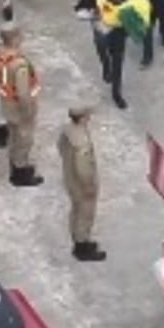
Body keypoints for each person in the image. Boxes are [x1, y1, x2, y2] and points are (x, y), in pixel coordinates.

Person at [73, 0, 133, 109]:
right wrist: (91, 15)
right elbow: (82, 7)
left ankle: (116, 93)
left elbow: (133, 6)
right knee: (102, 51)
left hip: (118, 30)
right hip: (100, 29)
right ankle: (106, 65)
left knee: (118, 61)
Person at [0, 26, 42, 187]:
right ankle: (20, 173)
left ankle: (13, 161)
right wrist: (28, 112)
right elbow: (23, 93)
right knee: (24, 139)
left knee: (13, 134)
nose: (22, 37)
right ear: (14, 38)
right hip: (19, 108)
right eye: (20, 34)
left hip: (6, 104)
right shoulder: (19, 65)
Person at [57, 103, 104, 262]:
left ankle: (77, 238)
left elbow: (60, 148)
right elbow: (83, 167)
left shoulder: (67, 130)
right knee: (85, 213)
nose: (89, 117)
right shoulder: (81, 141)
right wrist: (89, 185)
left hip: (70, 177)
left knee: (76, 209)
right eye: (87, 115)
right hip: (81, 184)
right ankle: (82, 246)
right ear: (82, 117)